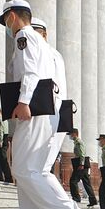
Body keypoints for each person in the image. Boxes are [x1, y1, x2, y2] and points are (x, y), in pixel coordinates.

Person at [0, 0, 85, 209]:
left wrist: (24, 101)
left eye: (5, 19)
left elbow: (31, 72)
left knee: (25, 169)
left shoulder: (24, 36)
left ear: (12, 16)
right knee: (28, 168)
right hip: (43, 109)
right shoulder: (40, 43)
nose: (6, 25)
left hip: (34, 108)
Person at [31, 17, 68, 173]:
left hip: (43, 110)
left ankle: (62, 199)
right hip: (57, 111)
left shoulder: (42, 52)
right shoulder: (55, 54)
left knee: (33, 169)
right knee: (41, 169)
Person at [68, 128, 98, 207]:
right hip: (81, 165)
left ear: (75, 134)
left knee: (73, 181)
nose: (70, 136)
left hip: (81, 165)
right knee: (86, 183)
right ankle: (93, 200)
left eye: (71, 134)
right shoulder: (76, 142)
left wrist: (81, 164)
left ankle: (76, 198)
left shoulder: (79, 143)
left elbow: (82, 154)